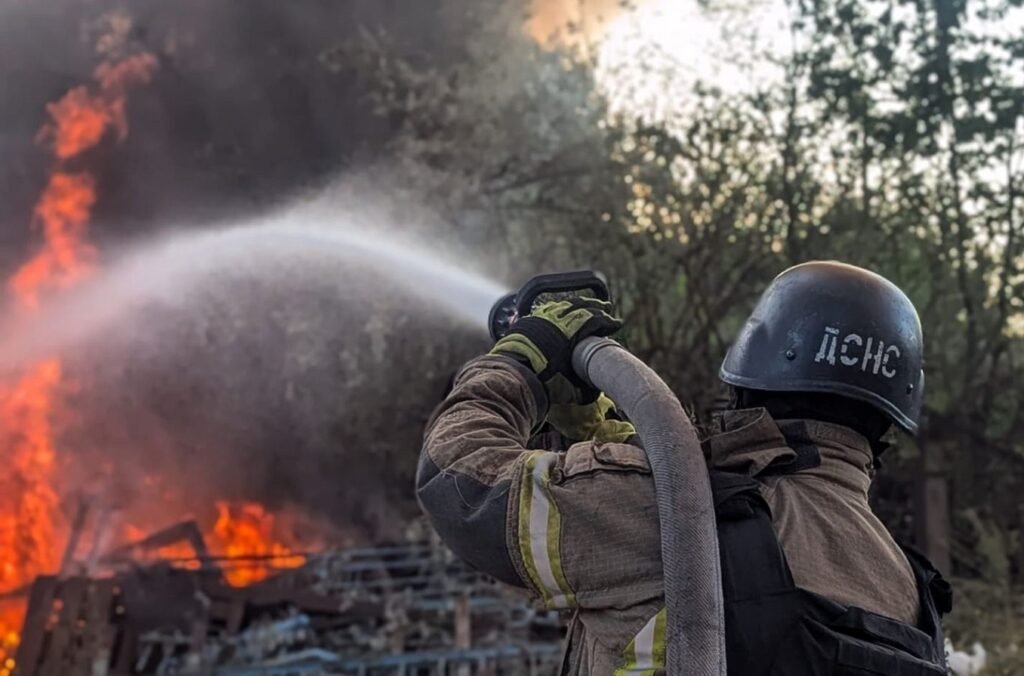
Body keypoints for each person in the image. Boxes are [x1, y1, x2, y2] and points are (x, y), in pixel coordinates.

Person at [417, 261, 951, 675]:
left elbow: (459, 478)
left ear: (747, 375)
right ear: (888, 421)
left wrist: (518, 363)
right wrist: (602, 432)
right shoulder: (908, 586)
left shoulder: (666, 517)